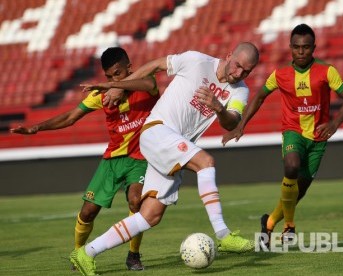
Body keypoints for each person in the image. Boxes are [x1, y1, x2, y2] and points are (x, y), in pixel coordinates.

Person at [70, 42, 260, 275]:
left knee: (150, 216)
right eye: (238, 65)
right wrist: (119, 87)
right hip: (157, 130)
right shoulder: (196, 60)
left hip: (175, 146)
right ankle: (223, 234)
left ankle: (85, 253)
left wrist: (218, 108)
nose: (239, 73)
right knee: (206, 162)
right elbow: (157, 64)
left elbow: (231, 121)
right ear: (229, 55)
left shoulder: (240, 90)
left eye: (246, 71)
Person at [10, 47, 159, 271]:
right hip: (112, 160)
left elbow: (150, 85)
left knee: (136, 200)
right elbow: (71, 117)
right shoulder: (100, 95)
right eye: (108, 76)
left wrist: (116, 87)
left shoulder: (146, 82)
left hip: (140, 158)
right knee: (88, 212)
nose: (112, 79)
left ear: (129, 68)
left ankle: (133, 256)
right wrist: (36, 128)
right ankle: (78, 254)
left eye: (117, 74)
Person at [222, 24, 343, 248]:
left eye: (305, 47)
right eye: (296, 47)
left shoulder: (327, 71)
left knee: (299, 190)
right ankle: (290, 225)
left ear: (313, 47)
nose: (301, 52)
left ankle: (270, 221)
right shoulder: (280, 74)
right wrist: (241, 125)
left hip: (318, 138)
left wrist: (334, 122)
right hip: (293, 131)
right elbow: (259, 97)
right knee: (291, 167)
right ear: (290, 48)